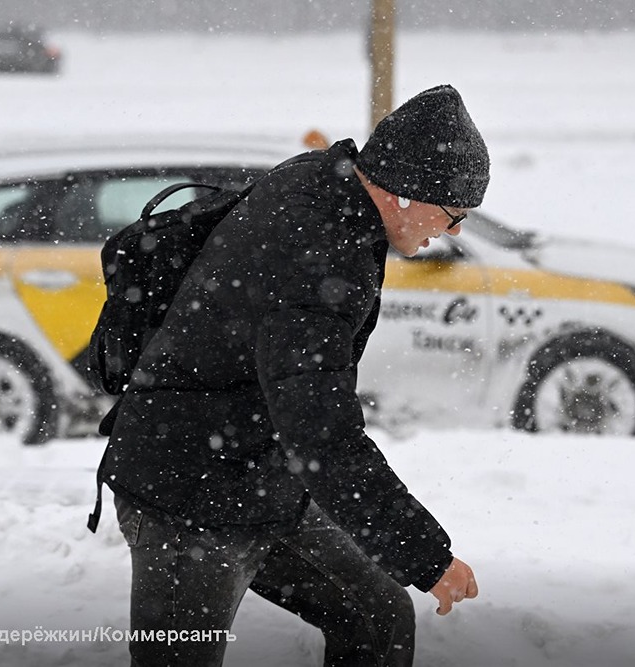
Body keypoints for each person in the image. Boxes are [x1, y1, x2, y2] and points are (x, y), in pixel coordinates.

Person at [98, 84, 490, 666]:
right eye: (454, 214)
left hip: (257, 477)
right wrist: (425, 555)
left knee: (376, 617)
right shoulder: (321, 256)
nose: (454, 232)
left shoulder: (325, 181)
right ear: (410, 192)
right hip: (187, 491)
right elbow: (323, 433)